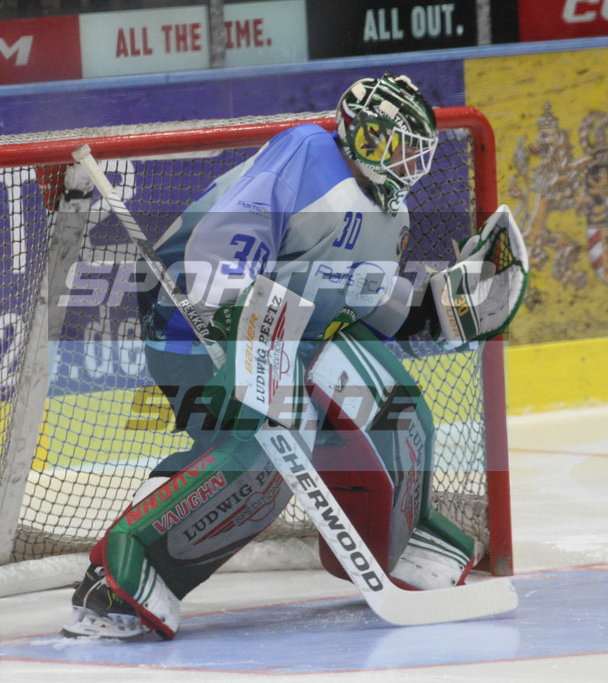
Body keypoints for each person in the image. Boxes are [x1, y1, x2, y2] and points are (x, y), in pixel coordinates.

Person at [61, 73, 526, 640]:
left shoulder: (391, 218)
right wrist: (238, 320)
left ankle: (397, 542)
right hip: (193, 323)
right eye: (393, 146)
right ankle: (118, 577)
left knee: (397, 410)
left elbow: (373, 307)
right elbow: (218, 250)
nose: (405, 164)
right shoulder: (308, 152)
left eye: (415, 153)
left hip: (289, 330)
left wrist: (447, 309)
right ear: (360, 134)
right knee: (261, 458)